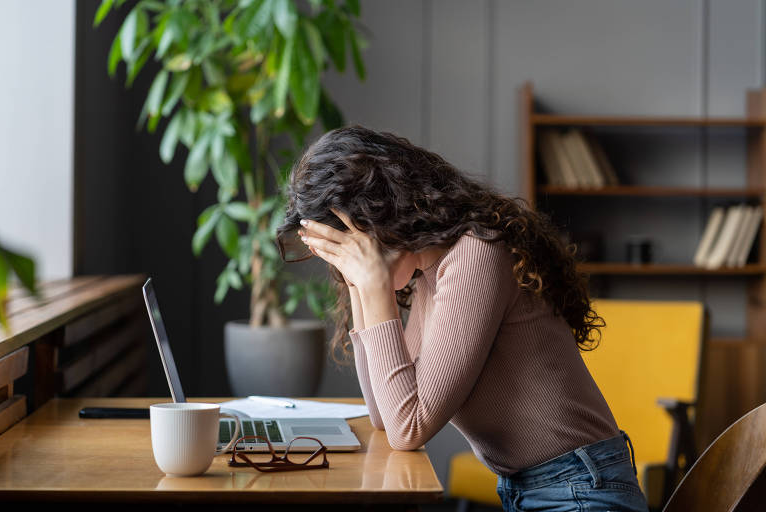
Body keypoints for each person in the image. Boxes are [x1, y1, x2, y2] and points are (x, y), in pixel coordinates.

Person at [276, 125, 649, 512]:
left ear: (378, 216)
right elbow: (384, 416)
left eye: (347, 247)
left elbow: (409, 428)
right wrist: (358, 283)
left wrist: (374, 285)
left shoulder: (476, 254)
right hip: (536, 491)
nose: (346, 261)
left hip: (582, 491)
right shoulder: (429, 277)